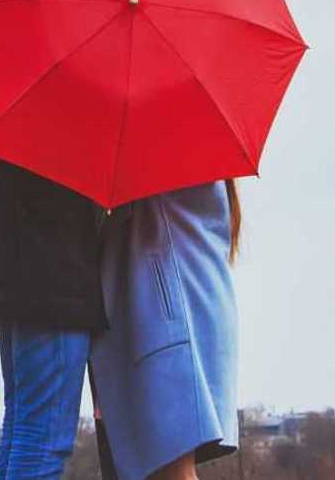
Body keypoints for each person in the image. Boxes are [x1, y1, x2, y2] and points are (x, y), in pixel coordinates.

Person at [0, 101, 108, 479]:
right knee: (42, 438)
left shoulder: (7, 68)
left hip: (17, 265)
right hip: (51, 272)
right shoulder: (64, 80)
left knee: (26, 430)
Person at [90, 180, 241, 480]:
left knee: (171, 471)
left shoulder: (160, 165)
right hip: (180, 324)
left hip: (165, 330)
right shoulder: (204, 168)